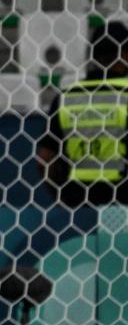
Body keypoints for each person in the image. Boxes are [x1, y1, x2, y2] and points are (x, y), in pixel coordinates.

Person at [38, 21, 128, 207]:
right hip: (122, 205)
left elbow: (44, 160)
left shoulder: (65, 97)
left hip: (76, 204)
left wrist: (59, 197)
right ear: (124, 54)